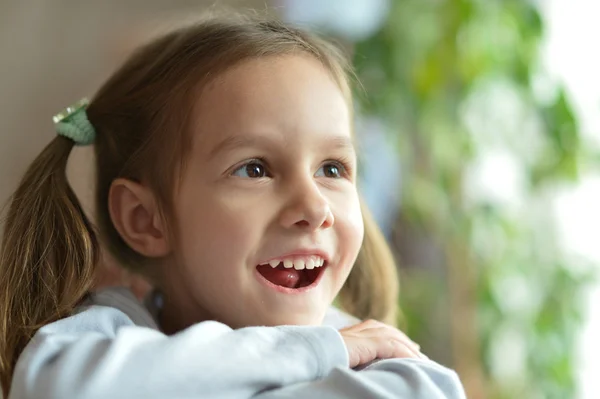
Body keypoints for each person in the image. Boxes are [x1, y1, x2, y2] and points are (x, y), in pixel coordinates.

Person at [0, 13, 466, 399]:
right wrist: (312, 350)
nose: (314, 205)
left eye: (332, 168)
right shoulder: (103, 340)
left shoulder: (392, 372)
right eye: (254, 169)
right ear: (146, 219)